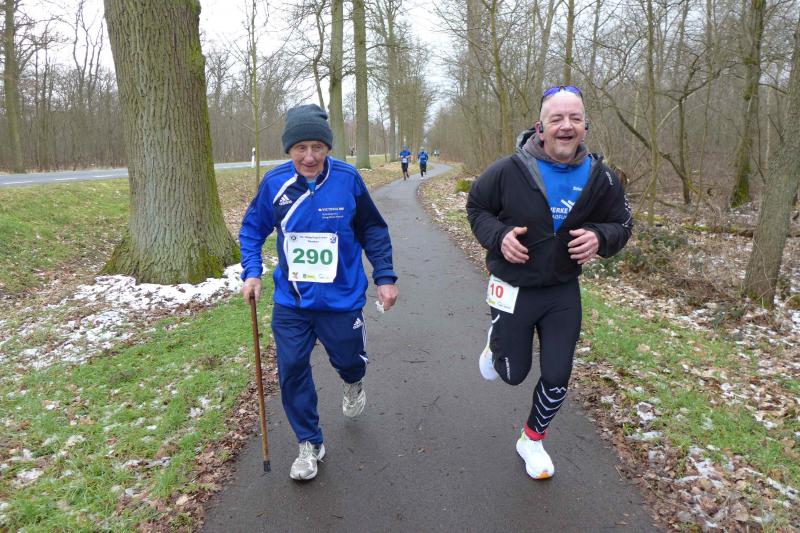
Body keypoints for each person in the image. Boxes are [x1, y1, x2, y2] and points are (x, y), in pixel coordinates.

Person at [466, 85, 632, 480]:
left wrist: (600, 237)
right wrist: (498, 236)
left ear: (585, 126)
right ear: (540, 127)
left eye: (575, 118)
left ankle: (532, 440)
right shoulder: (508, 170)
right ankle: (496, 342)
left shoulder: (602, 178)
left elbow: (623, 223)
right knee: (512, 373)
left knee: (558, 375)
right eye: (557, 118)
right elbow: (476, 207)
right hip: (514, 286)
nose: (566, 126)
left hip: (561, 290)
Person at [240, 104, 399, 481]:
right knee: (292, 369)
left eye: (317, 147)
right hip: (292, 302)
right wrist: (252, 272)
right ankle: (309, 443)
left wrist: (385, 276)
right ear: (289, 149)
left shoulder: (347, 179)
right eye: (300, 148)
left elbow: (373, 229)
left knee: (349, 360)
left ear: (328, 147)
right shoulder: (275, 183)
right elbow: (251, 229)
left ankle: (353, 381)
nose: (309, 157)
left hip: (341, 299)